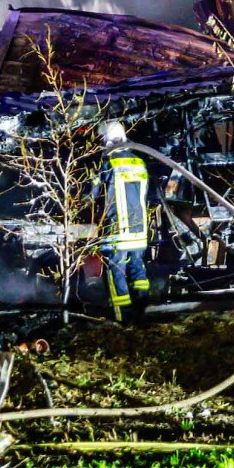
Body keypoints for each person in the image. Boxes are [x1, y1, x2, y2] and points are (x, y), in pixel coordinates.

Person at [93, 121, 151, 324]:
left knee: (115, 269)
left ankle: (123, 316)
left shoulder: (108, 163)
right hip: (139, 227)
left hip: (118, 227)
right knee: (138, 268)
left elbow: (91, 195)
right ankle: (143, 310)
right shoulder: (138, 162)